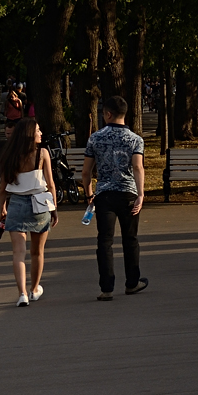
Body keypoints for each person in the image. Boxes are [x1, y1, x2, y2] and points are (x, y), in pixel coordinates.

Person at [83, 95, 147, 300]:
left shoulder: (95, 137)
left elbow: (86, 172)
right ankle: (132, 283)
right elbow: (138, 167)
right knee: (130, 239)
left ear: (108, 114)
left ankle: (106, 288)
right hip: (128, 193)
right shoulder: (136, 139)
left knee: (105, 241)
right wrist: (140, 194)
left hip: (104, 195)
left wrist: (89, 193)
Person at [0, 117, 57, 305]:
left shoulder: (9, 155)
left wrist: (3, 207)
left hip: (16, 204)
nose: (40, 133)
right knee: (37, 252)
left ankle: (21, 293)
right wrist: (54, 209)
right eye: (37, 130)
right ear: (30, 133)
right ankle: (34, 289)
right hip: (40, 204)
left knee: (18, 253)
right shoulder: (42, 154)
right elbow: (51, 184)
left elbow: (2, 187)